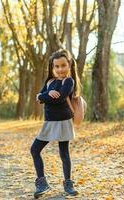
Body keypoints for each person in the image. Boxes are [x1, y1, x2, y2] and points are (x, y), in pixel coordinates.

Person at [31, 49, 81, 198]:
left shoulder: (69, 81)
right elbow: (40, 97)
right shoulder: (50, 82)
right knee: (34, 150)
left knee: (64, 154)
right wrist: (43, 95)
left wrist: (43, 96)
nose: (60, 69)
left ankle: (68, 184)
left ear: (69, 64)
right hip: (49, 123)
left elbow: (58, 99)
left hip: (63, 121)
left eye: (63, 65)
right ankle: (42, 183)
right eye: (57, 66)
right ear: (52, 67)